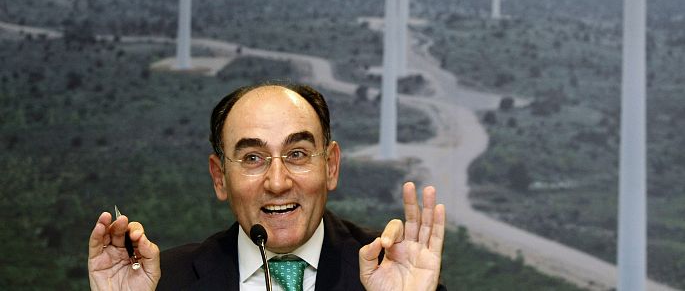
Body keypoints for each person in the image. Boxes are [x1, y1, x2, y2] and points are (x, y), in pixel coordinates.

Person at [88, 82, 446, 290]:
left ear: (331, 166)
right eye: (253, 158)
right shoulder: (164, 282)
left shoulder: (394, 274)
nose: (277, 182)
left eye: (297, 154)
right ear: (219, 177)